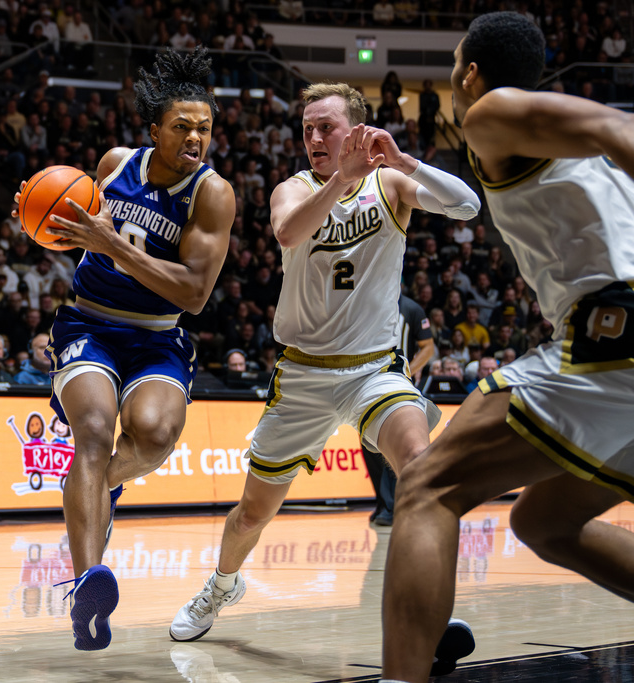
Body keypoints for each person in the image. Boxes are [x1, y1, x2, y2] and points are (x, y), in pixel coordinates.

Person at [168, 81, 480, 676]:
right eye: (307, 128)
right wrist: (341, 177)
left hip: (373, 371)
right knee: (252, 515)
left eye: (327, 127)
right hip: (303, 377)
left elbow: (467, 206)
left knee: (422, 467)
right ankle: (221, 584)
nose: (313, 137)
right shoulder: (294, 188)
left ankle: (429, 615)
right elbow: (288, 233)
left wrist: (403, 158)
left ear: (357, 131)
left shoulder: (390, 185)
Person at [382, 13, 634, 681]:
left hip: (616, 338)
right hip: (615, 349)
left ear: (469, 73)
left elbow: (623, 128)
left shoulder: (490, 111)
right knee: (545, 520)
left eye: (455, 68)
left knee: (427, 486)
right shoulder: (556, 139)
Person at [15, 47, 234, 651]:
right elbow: (78, 230)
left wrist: (114, 246)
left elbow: (192, 293)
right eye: (183, 127)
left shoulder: (212, 194)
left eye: (206, 128)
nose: (196, 138)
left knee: (156, 438)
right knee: (91, 428)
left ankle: (101, 487)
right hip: (90, 322)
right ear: (155, 128)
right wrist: (46, 223)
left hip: (160, 334)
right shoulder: (116, 164)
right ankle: (88, 582)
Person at [362, 293, 436, 527]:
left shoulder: (411, 308)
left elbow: (428, 347)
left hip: (395, 383)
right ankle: (384, 503)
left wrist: (408, 370)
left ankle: (393, 506)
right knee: (368, 444)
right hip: (366, 381)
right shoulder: (367, 301)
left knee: (393, 443)